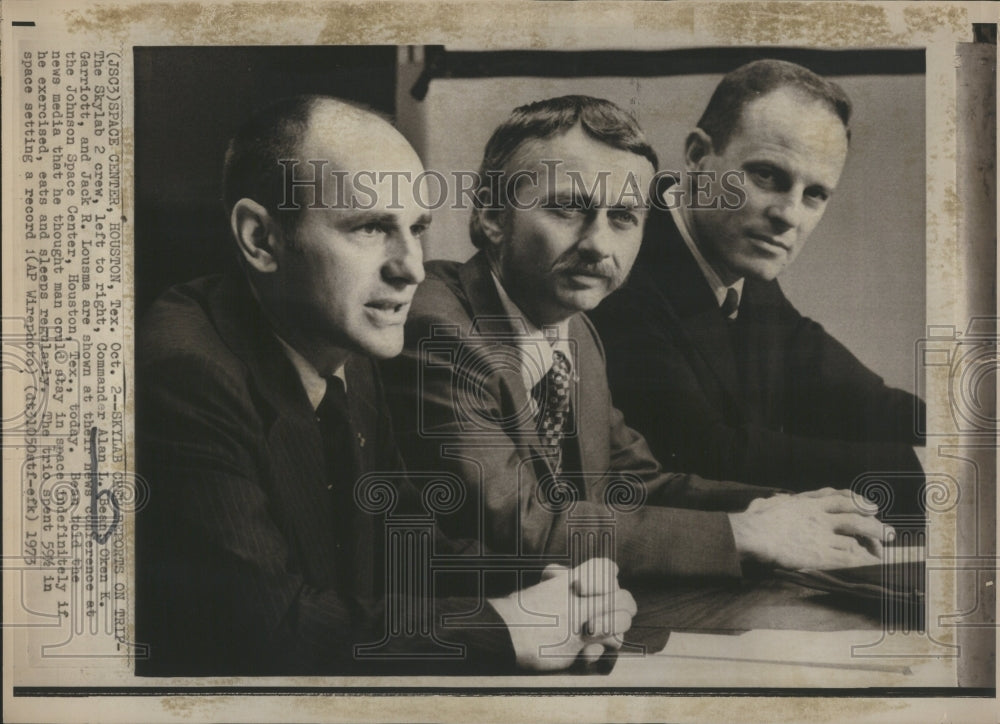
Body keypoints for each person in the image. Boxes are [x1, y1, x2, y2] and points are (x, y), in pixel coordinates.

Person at [135, 95, 637, 676]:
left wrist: (559, 591)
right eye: (372, 227)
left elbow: (407, 545)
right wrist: (508, 626)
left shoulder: (349, 349)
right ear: (261, 239)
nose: (412, 267)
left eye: (417, 229)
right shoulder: (184, 373)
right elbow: (270, 631)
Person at [382, 95, 892, 585]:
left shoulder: (575, 331)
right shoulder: (435, 326)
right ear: (492, 216)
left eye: (623, 218)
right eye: (567, 209)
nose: (599, 245)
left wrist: (779, 508)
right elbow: (517, 524)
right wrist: (744, 534)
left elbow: (638, 484)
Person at [588, 60, 925, 520]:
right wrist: (924, 469)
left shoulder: (737, 258)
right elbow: (710, 455)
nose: (789, 215)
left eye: (815, 195)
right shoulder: (623, 265)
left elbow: (858, 397)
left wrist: (967, 437)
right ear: (695, 155)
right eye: (767, 176)